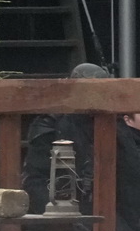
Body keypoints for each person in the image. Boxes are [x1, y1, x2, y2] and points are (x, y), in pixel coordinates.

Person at [22, 62, 110, 215]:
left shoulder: (112, 124)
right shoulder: (52, 124)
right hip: (62, 210)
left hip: (105, 209)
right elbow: (36, 181)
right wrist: (59, 217)